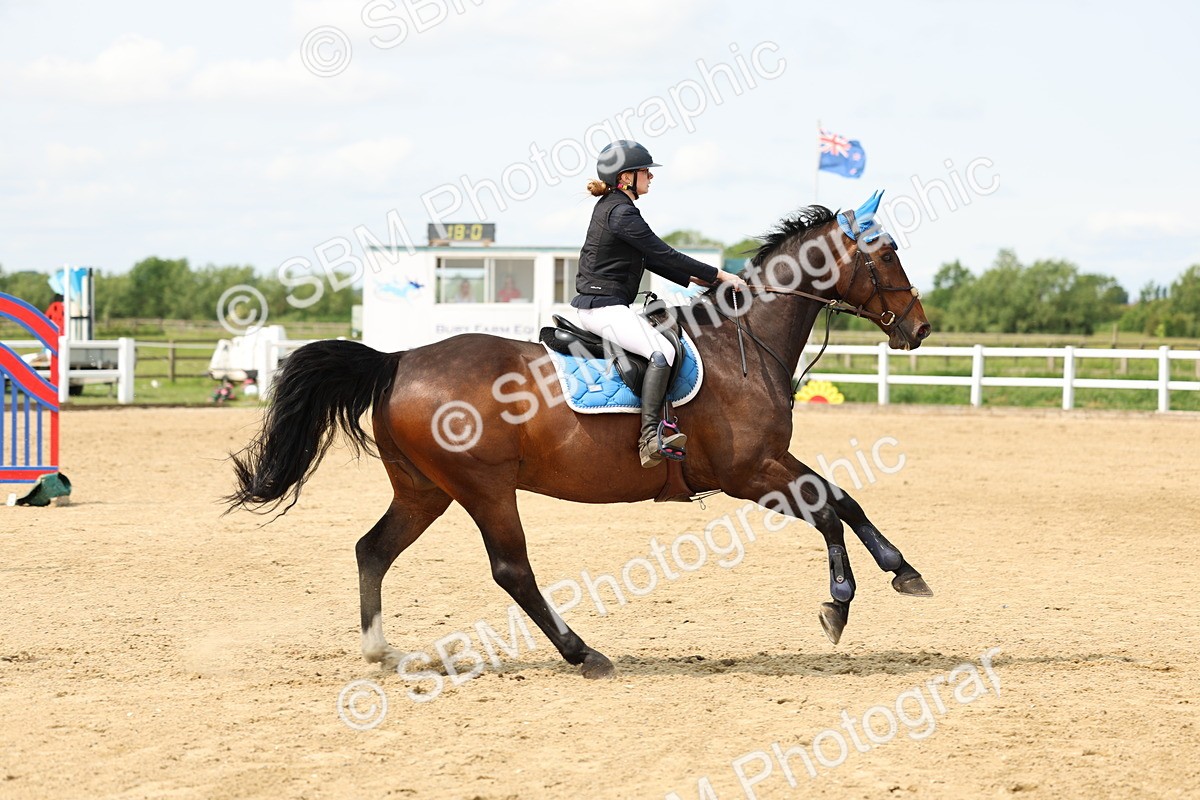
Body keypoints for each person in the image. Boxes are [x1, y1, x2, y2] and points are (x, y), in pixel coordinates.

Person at [572, 139, 746, 468]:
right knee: (661, 351)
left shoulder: (613, 206)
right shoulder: (621, 212)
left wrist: (694, 278)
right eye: (645, 172)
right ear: (626, 178)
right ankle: (650, 435)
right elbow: (661, 251)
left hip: (604, 303)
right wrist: (721, 275)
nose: (651, 177)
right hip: (602, 307)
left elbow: (649, 258)